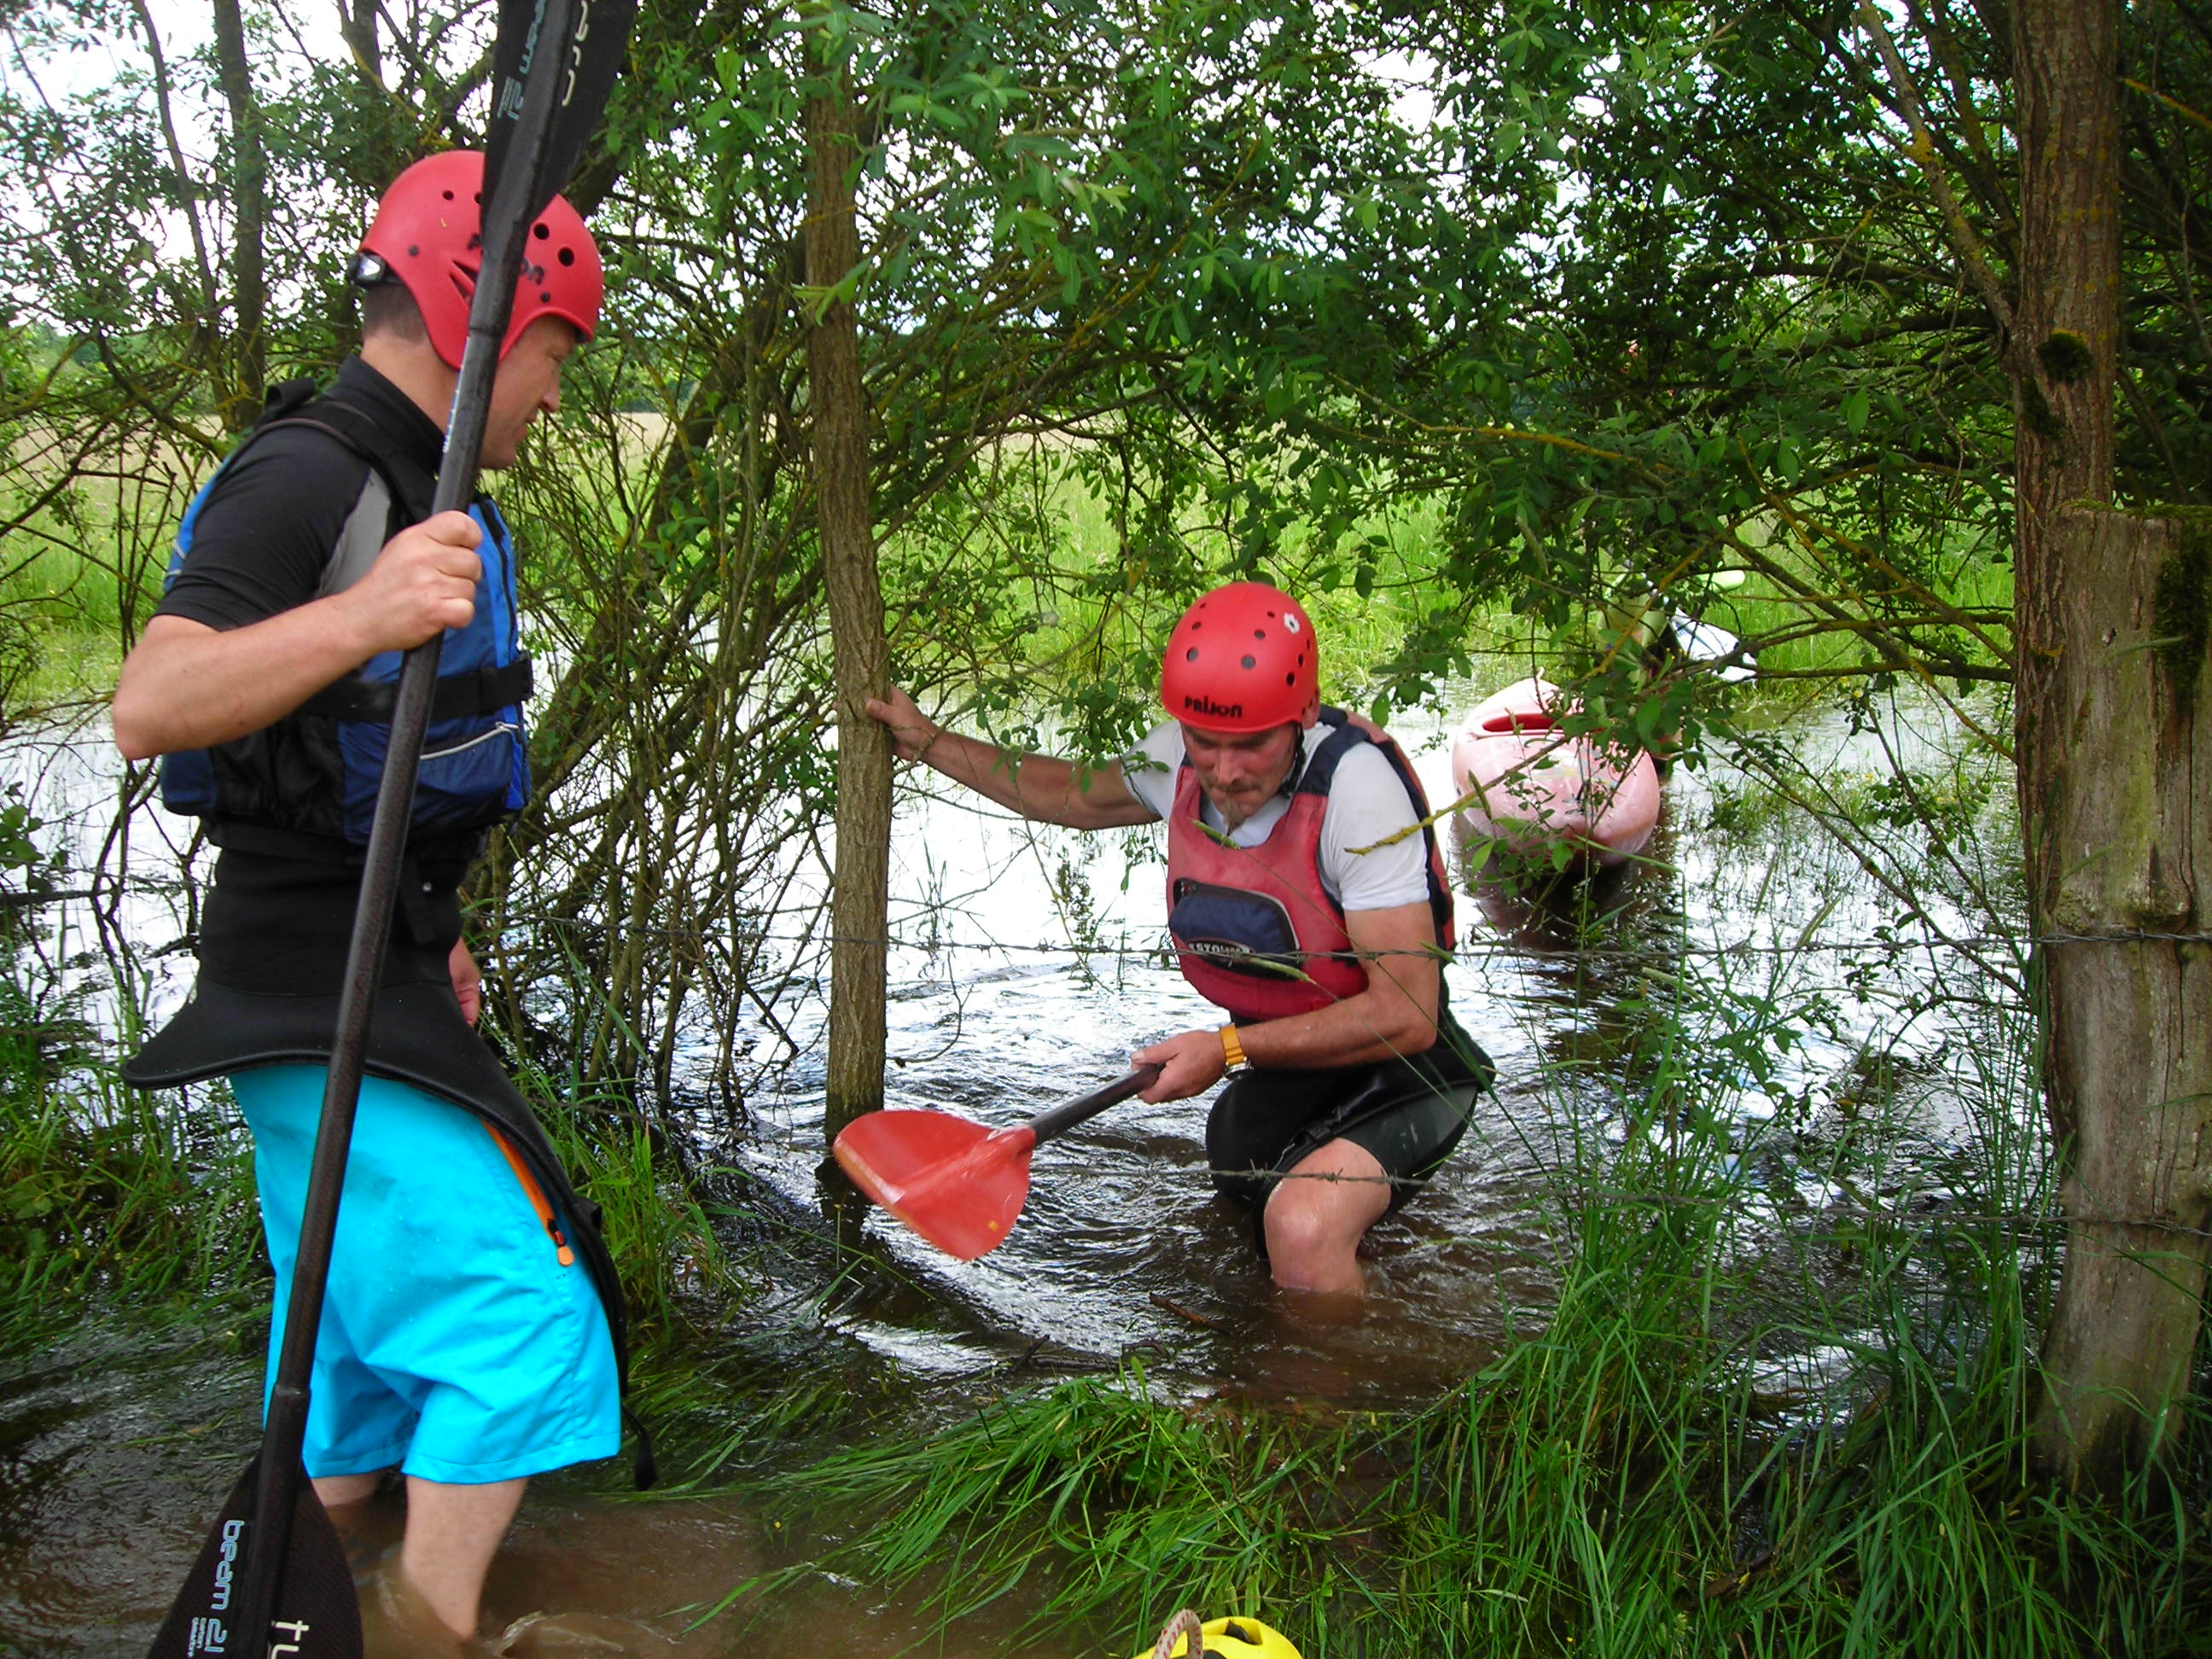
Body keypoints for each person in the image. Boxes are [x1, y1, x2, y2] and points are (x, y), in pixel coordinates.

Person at [111, 151, 634, 1645]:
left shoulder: (414, 479)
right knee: (523, 1319)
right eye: (553, 354)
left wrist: (436, 926)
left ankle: (317, 1572)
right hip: (305, 986)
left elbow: (369, 776)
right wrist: (367, 609)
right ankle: (424, 1626)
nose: (556, 394)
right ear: (479, 320)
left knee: (344, 1347)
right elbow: (152, 702)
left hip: (362, 962)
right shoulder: (313, 471)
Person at [867, 581, 1494, 1298]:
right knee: (1238, 1172)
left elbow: (1407, 1015)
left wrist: (1226, 1050)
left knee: (1300, 1227)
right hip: (1296, 1064)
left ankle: (1347, 1371)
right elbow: (1067, 794)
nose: (1224, 773)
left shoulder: (1358, 792)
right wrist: (929, 742)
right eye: (1205, 742)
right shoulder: (1178, 760)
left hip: (1410, 1072)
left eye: (1252, 744)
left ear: (1304, 714)